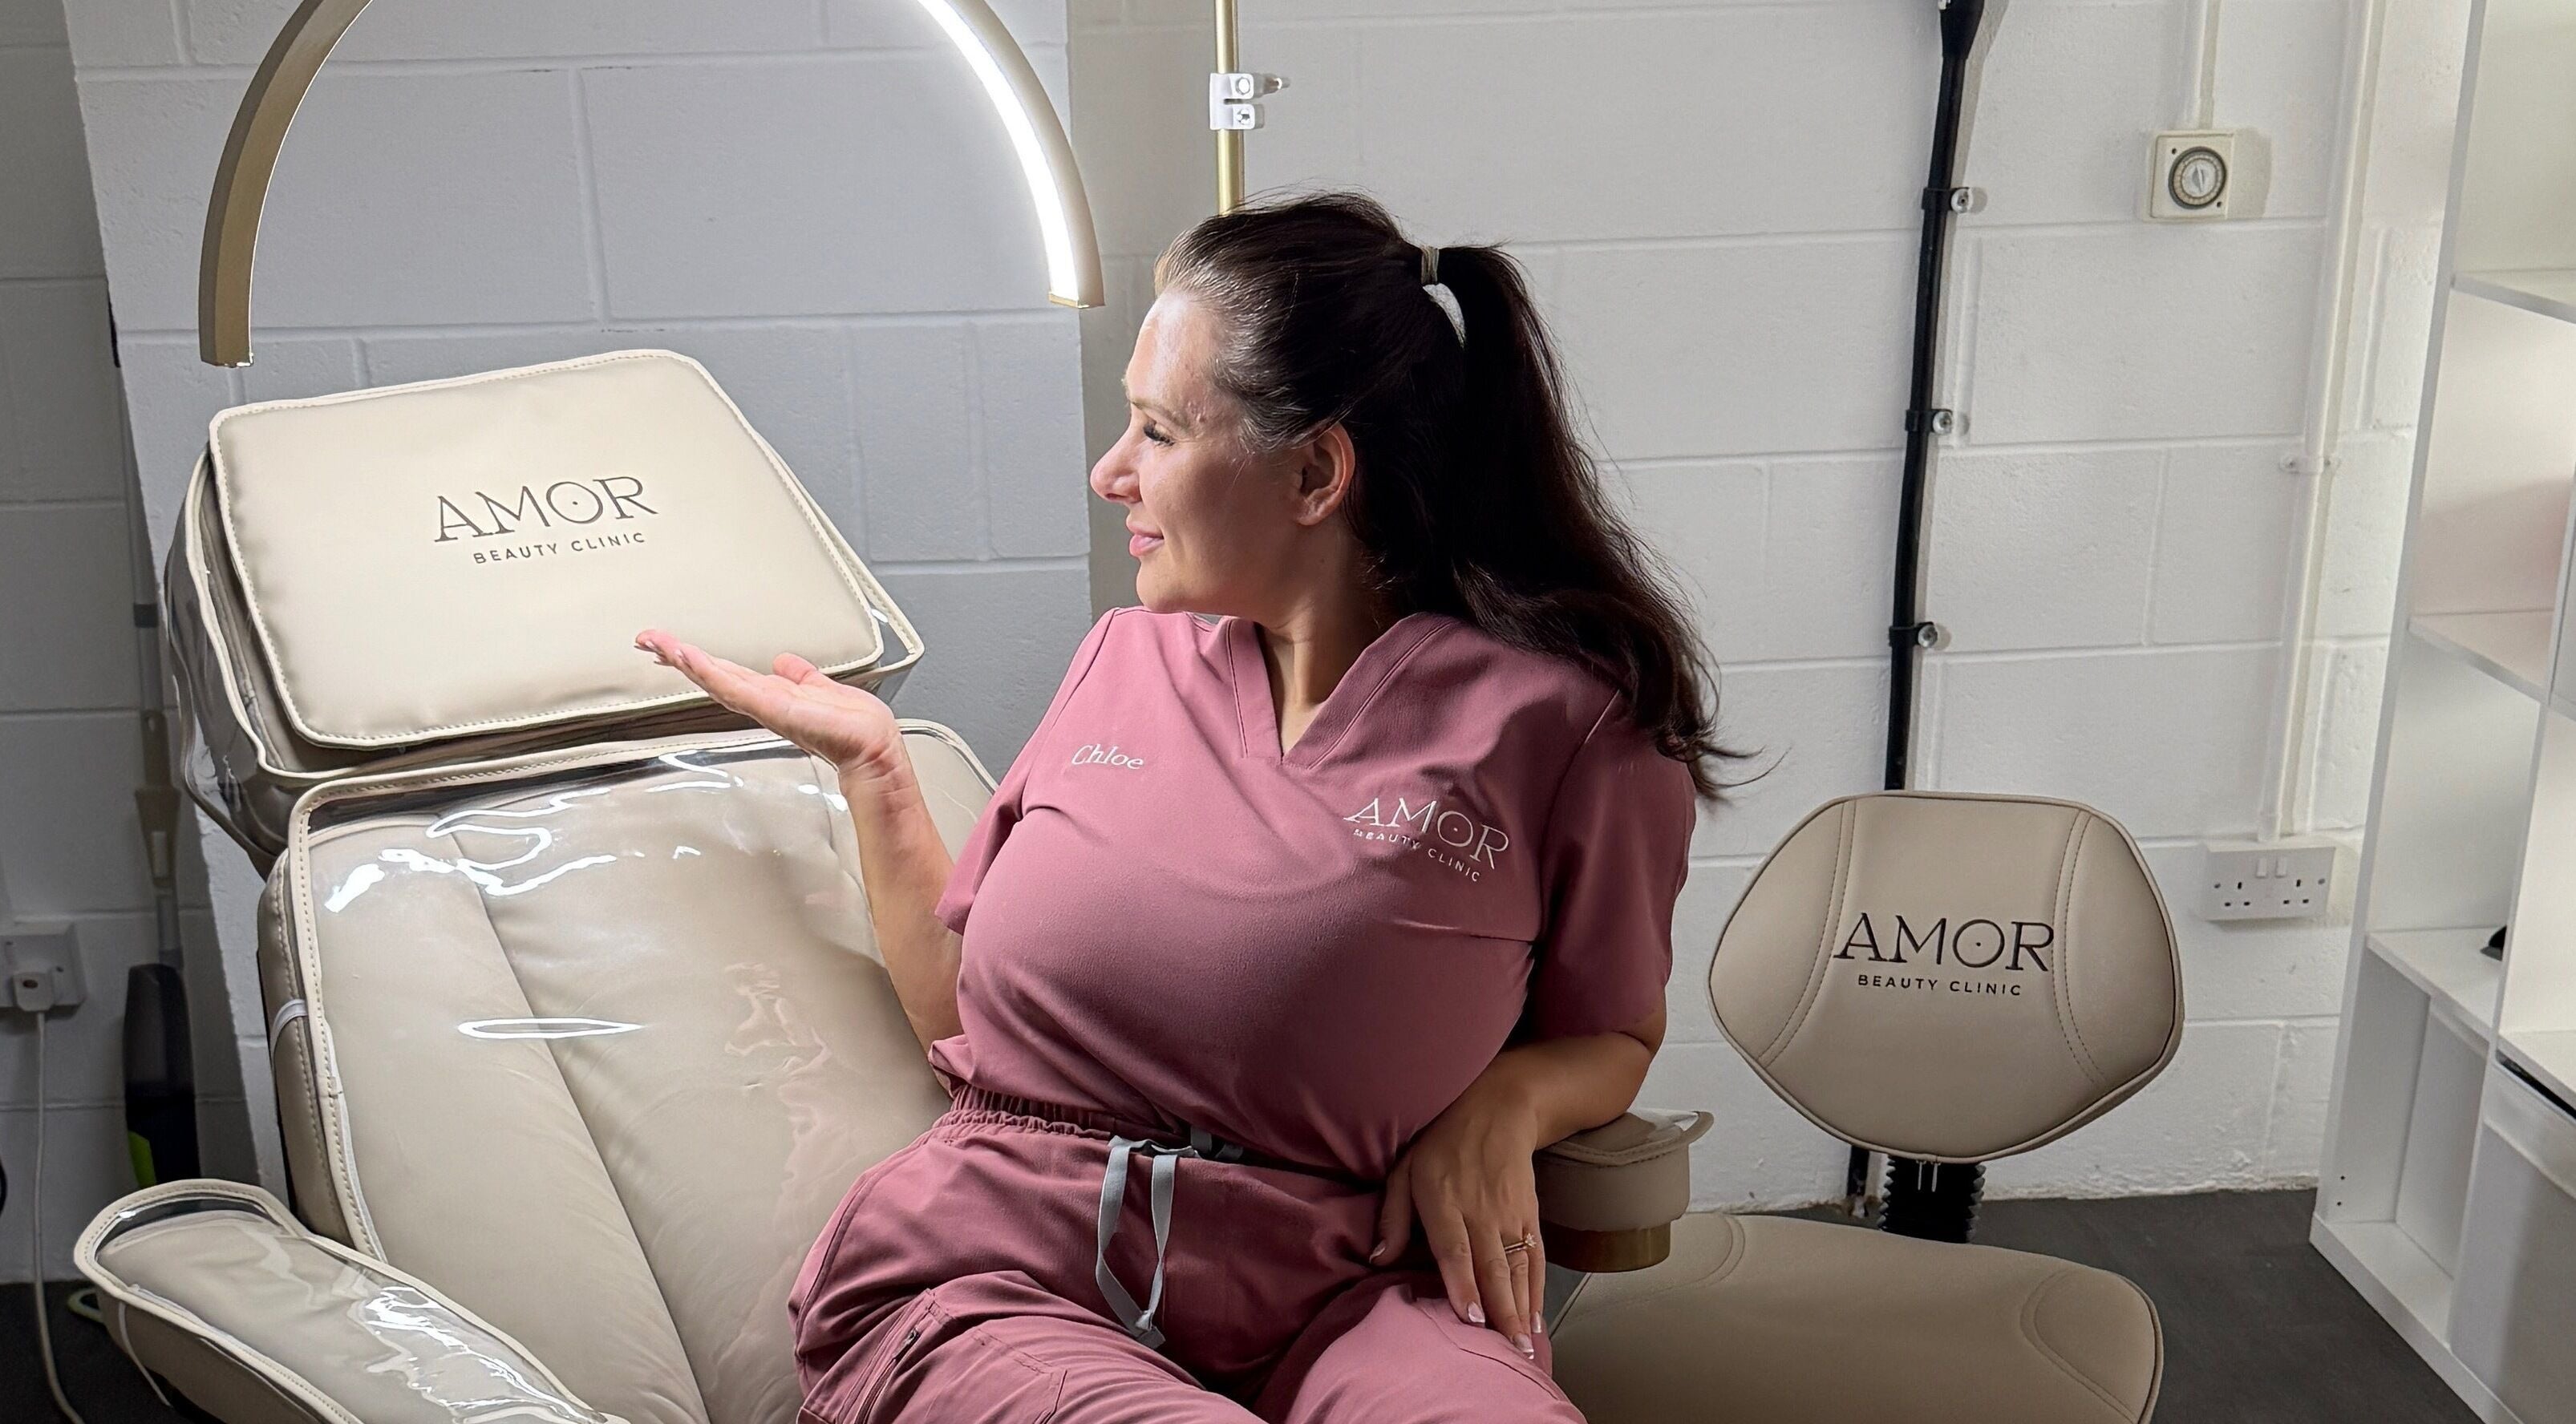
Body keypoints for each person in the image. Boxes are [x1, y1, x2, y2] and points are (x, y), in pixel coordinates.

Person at [634, 191, 1738, 1423]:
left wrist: (1512, 1098)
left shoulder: (1569, 732)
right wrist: (876, 771)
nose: (1110, 472)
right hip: (1007, 1277)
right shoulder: (1122, 661)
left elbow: (1616, 1034)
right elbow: (968, 1005)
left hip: (1350, 1293)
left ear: (1315, 470)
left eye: (1157, 430)